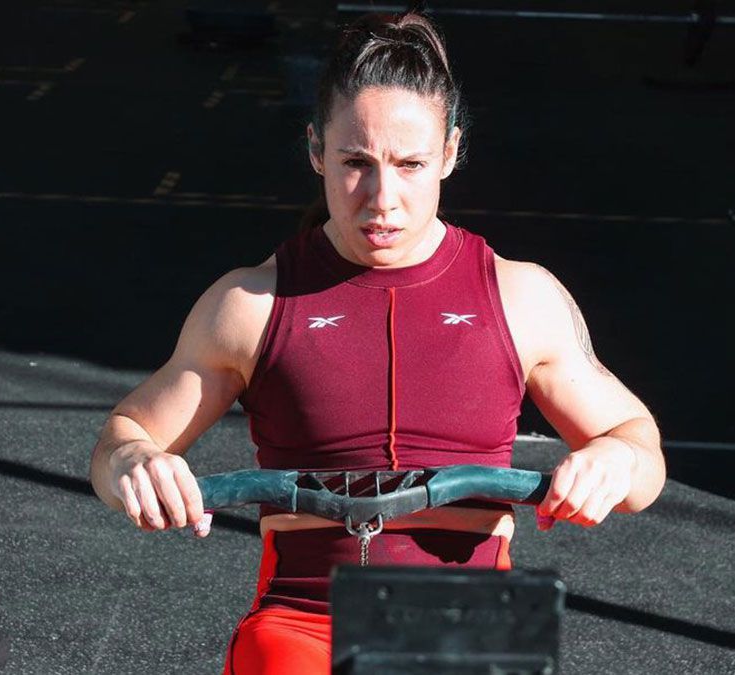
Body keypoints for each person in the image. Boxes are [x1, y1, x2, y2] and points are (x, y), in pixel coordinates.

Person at [89, 11, 666, 674]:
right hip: (304, 626)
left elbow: (639, 451)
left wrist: (615, 460)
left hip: (472, 628)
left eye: (410, 163)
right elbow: (122, 436)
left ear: (450, 153)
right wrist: (135, 459)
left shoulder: (522, 296)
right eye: (356, 163)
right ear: (315, 151)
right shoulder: (249, 304)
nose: (382, 199)